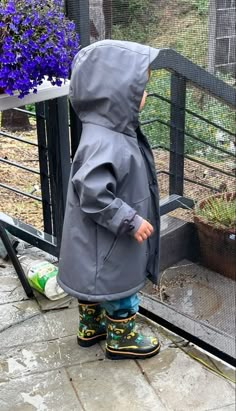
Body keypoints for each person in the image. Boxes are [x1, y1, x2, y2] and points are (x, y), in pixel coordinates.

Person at [58, 40, 161, 360]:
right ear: (116, 91)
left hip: (96, 239)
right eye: (140, 86)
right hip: (114, 237)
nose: (145, 93)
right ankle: (122, 338)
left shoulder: (107, 131)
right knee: (120, 291)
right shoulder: (108, 141)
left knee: (92, 284)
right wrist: (130, 220)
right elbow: (93, 191)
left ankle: (90, 327)